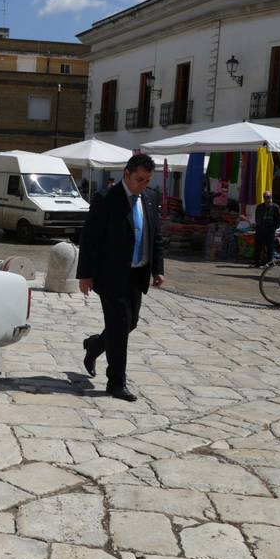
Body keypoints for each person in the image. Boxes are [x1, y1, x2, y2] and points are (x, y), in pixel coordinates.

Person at [78, 154, 165, 402]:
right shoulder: (106, 199)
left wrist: (158, 269)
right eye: (139, 179)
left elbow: (155, 236)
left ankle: (94, 346)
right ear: (127, 174)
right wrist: (85, 274)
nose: (143, 185)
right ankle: (116, 383)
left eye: (147, 181)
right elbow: (90, 238)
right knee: (119, 326)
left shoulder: (149, 199)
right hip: (110, 276)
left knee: (129, 324)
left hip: (138, 274)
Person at [253, 191, 280, 267]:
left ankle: (269, 263)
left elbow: (278, 219)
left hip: (270, 230)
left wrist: (275, 227)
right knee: (258, 246)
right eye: (265, 197)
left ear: (271, 197)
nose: (266, 199)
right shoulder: (259, 207)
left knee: (270, 247)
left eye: (268, 197)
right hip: (260, 229)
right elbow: (257, 217)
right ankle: (257, 262)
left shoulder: (275, 207)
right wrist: (258, 225)